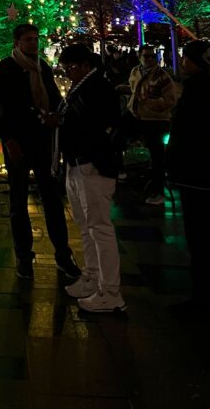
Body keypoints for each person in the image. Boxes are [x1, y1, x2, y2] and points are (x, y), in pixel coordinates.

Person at [0, 23, 81, 281]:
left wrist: (55, 115)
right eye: (28, 40)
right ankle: (24, 258)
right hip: (18, 144)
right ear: (17, 43)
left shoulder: (42, 69)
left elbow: (54, 98)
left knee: (52, 200)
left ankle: (62, 254)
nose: (34, 44)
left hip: (43, 143)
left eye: (36, 39)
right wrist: (8, 139)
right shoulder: (4, 70)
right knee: (18, 201)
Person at [167, 40, 210, 316]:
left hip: (198, 176)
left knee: (201, 237)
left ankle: (203, 295)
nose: (183, 63)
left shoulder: (196, 93)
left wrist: (175, 167)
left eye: (185, 59)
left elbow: (188, 135)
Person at [55, 43, 125, 313]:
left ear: (84, 65)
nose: (68, 73)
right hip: (76, 162)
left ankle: (110, 291)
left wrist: (62, 122)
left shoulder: (97, 87)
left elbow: (97, 123)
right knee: (86, 226)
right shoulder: (82, 86)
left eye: (70, 67)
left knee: (99, 228)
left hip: (92, 164)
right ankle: (93, 276)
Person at [117, 45, 177, 205]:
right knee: (116, 136)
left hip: (155, 119)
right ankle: (119, 169)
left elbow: (170, 100)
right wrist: (126, 91)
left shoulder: (162, 76)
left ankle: (157, 190)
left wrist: (150, 102)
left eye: (152, 56)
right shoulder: (135, 71)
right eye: (147, 56)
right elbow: (134, 88)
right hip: (136, 114)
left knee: (157, 154)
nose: (150, 59)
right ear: (140, 56)